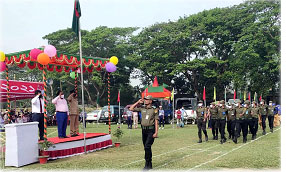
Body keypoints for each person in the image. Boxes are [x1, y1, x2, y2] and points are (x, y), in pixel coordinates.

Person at [130, 95, 159, 170]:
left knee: (147, 146)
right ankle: (149, 164)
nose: (145, 100)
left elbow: (156, 121)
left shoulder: (154, 110)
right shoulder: (142, 108)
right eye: (145, 99)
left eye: (147, 99)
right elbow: (131, 108)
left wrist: (156, 132)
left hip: (151, 130)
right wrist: (138, 102)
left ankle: (147, 164)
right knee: (146, 147)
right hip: (144, 130)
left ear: (150, 101)